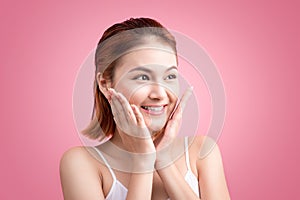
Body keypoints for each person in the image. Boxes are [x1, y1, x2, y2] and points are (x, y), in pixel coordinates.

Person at [60, 17, 230, 200]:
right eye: (142, 77)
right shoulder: (82, 163)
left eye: (170, 76)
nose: (159, 93)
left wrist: (164, 162)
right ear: (105, 83)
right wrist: (144, 161)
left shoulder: (202, 151)